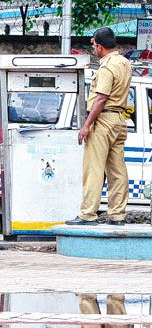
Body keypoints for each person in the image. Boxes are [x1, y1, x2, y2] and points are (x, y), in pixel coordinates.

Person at [66, 27, 132, 226]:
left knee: (94, 168)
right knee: (117, 170)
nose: (93, 48)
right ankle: (117, 215)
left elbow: (101, 99)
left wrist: (86, 125)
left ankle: (88, 214)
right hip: (119, 120)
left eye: (93, 44)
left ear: (100, 46)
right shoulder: (124, 63)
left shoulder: (107, 67)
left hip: (103, 120)